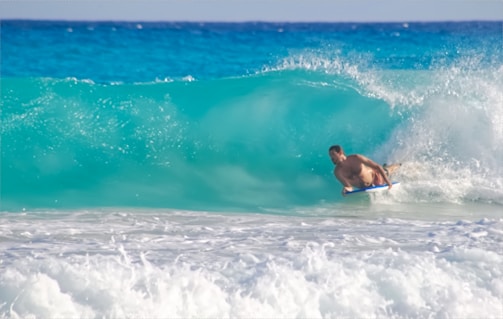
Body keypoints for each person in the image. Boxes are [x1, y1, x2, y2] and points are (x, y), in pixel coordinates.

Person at [328, 145, 398, 196]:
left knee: (388, 170)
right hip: (366, 187)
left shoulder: (356, 158)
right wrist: (346, 189)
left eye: (333, 155)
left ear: (340, 152)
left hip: (376, 177)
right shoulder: (338, 172)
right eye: (330, 156)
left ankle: (400, 164)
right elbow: (349, 186)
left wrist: (387, 181)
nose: (332, 158)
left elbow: (377, 167)